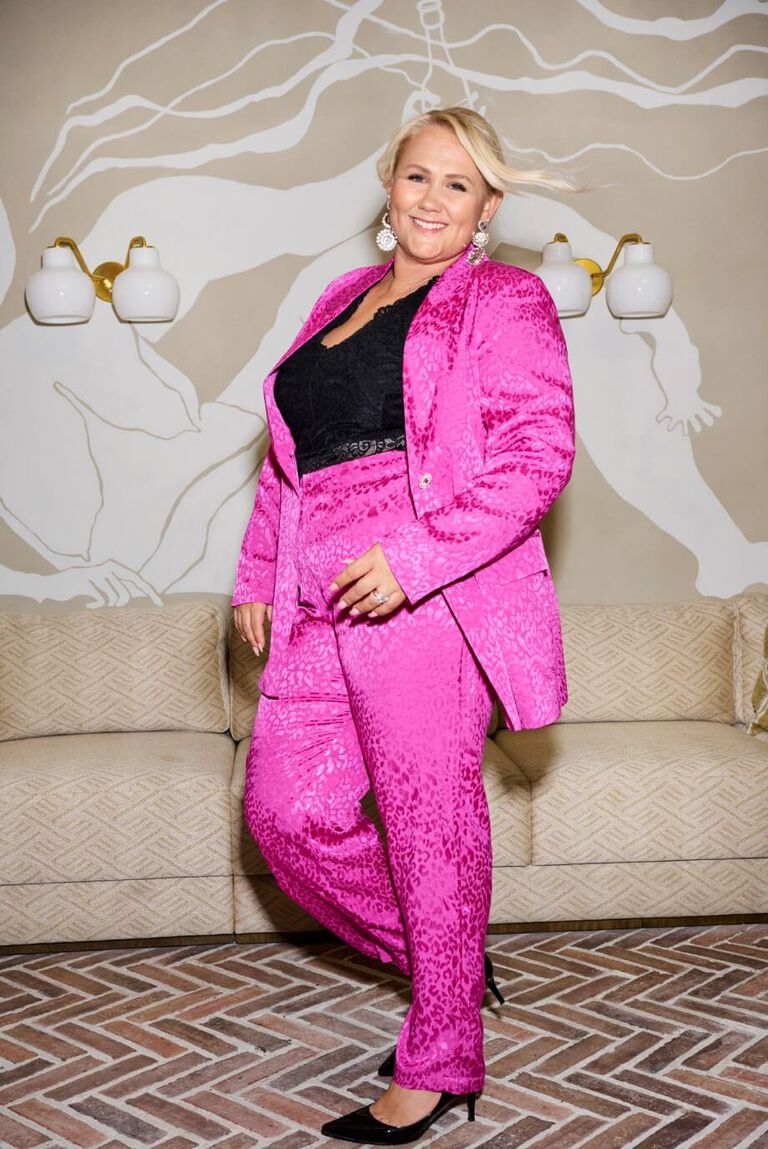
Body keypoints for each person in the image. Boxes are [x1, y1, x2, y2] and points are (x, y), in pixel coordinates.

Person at [232, 106, 575, 1144]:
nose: (433, 199)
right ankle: (447, 973)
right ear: (389, 185)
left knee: (432, 827)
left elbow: (538, 454)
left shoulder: (505, 299)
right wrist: (256, 572)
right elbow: (289, 460)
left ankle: (439, 1060)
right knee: (285, 815)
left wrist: (414, 560)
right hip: (312, 594)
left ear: (487, 205)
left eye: (458, 184)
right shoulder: (336, 299)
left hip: (422, 591)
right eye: (419, 176)